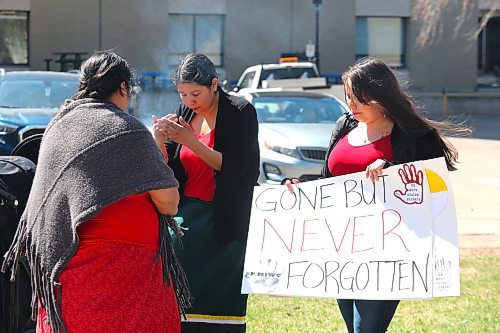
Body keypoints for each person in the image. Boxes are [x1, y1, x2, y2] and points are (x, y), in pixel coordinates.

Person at [2, 50, 191, 333]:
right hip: (123, 273)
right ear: (124, 88)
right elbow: (169, 202)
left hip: (63, 272)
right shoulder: (127, 129)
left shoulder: (57, 126)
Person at [284, 57, 466, 333]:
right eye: (348, 97)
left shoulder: (414, 135)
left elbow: (435, 185)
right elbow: (328, 181)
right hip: (341, 246)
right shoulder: (344, 125)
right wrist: (301, 188)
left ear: (381, 97)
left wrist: (393, 169)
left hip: (389, 249)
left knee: (365, 330)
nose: (351, 105)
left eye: (359, 98)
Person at [152, 53, 260, 333]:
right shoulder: (185, 112)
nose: (189, 101)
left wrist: (190, 140)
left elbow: (235, 169)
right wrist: (160, 139)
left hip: (226, 218)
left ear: (214, 84)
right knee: (178, 293)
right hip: (188, 216)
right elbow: (173, 169)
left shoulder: (240, 111)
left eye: (195, 93)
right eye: (183, 93)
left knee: (220, 300)